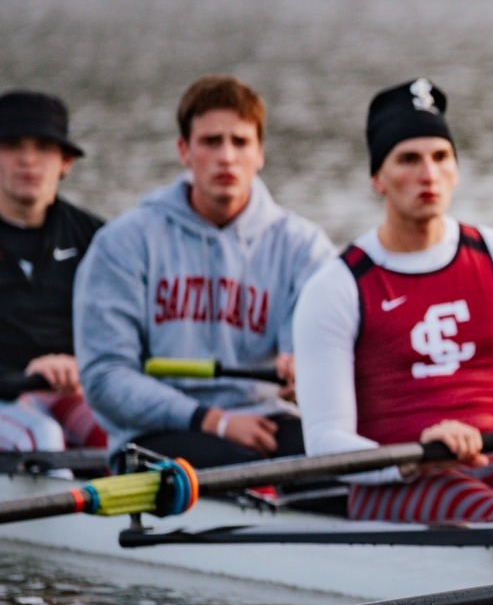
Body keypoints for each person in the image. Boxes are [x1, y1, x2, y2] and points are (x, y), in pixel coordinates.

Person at [293, 79, 493, 556]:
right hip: (394, 482)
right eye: (408, 159)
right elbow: (323, 443)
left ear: (457, 170)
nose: (428, 173)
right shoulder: (336, 288)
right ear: (377, 179)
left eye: (441, 157)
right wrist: (418, 451)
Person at [75, 75, 332, 467]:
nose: (227, 157)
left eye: (240, 142)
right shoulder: (123, 243)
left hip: (266, 419)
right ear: (184, 151)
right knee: (243, 467)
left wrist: (304, 368)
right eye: (211, 142)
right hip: (157, 432)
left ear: (260, 153)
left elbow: (325, 348)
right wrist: (212, 420)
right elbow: (105, 377)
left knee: (340, 460)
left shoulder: (303, 246)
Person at [0, 90, 105, 453]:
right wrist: (26, 376)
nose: (28, 160)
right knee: (41, 438)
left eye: (43, 147)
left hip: (68, 390)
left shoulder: (98, 238)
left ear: (65, 161)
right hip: (6, 396)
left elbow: (122, 335)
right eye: (13, 145)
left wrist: (83, 365)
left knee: (122, 432)